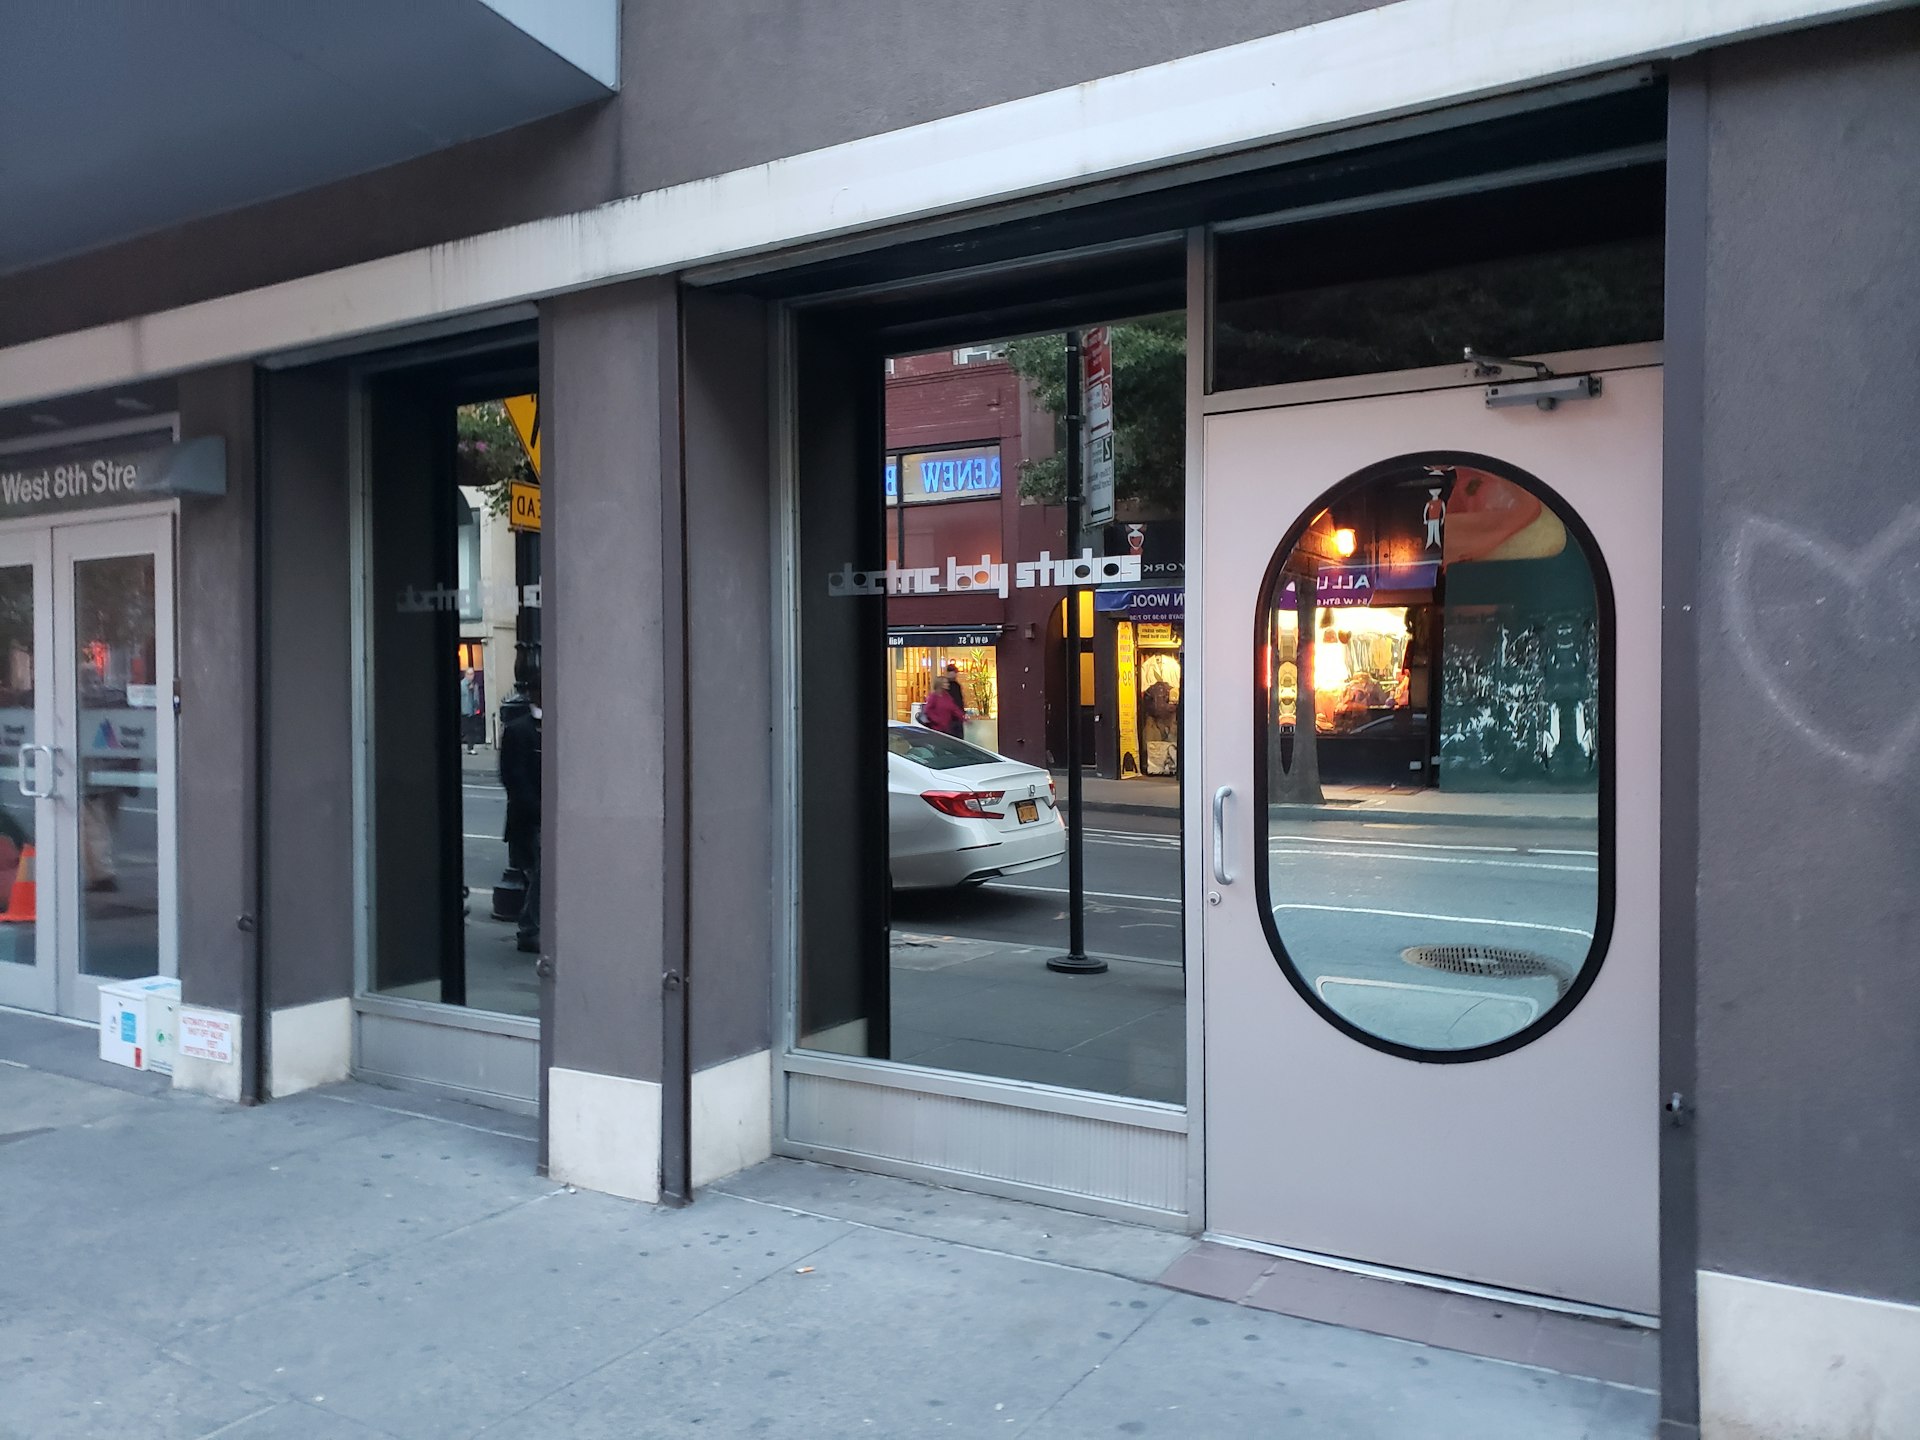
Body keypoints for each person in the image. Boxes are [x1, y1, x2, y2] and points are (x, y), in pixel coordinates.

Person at [498, 681, 542, 954]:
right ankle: (530, 928)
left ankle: (533, 926)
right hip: (531, 817)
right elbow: (513, 777)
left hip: (542, 814)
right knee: (540, 872)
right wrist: (537, 808)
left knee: (541, 873)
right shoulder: (518, 730)